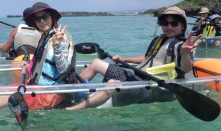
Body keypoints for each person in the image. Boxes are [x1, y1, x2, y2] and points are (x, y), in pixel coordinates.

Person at [67, 6, 202, 109]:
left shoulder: (183, 45)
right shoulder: (158, 39)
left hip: (153, 87)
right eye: (165, 23)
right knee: (96, 62)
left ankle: (70, 110)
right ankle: (66, 94)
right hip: (136, 77)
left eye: (174, 23)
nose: (168, 26)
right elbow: (147, 58)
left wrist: (185, 53)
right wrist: (125, 59)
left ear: (183, 26)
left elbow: (186, 67)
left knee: (113, 83)